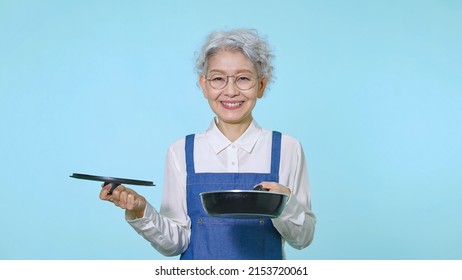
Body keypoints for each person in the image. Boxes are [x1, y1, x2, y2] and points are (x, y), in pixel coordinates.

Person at [100, 28, 316, 260]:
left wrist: (284, 204)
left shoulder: (287, 148)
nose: (231, 91)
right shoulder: (180, 151)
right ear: (204, 85)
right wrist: (140, 210)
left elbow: (302, 239)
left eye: (243, 78)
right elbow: (175, 243)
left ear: (261, 85)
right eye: (218, 79)